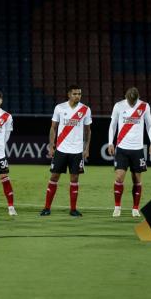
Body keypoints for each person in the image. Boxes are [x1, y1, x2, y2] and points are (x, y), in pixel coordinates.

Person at [40, 84, 92, 217]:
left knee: (74, 178)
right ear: (69, 94)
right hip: (61, 150)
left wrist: (86, 148)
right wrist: (51, 146)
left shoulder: (85, 109)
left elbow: (88, 131)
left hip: (76, 151)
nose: (77, 96)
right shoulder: (60, 108)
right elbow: (53, 128)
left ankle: (73, 209)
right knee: (54, 177)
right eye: (75, 94)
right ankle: (46, 208)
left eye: (79, 94)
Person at [107, 87, 151, 217]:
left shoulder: (144, 106)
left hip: (137, 149)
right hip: (122, 148)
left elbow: (149, 125)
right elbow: (113, 125)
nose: (132, 104)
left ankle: (135, 208)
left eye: (134, 101)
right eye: (130, 101)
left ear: (137, 98)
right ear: (126, 97)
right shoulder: (118, 106)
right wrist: (110, 142)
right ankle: (117, 207)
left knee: (137, 179)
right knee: (119, 177)